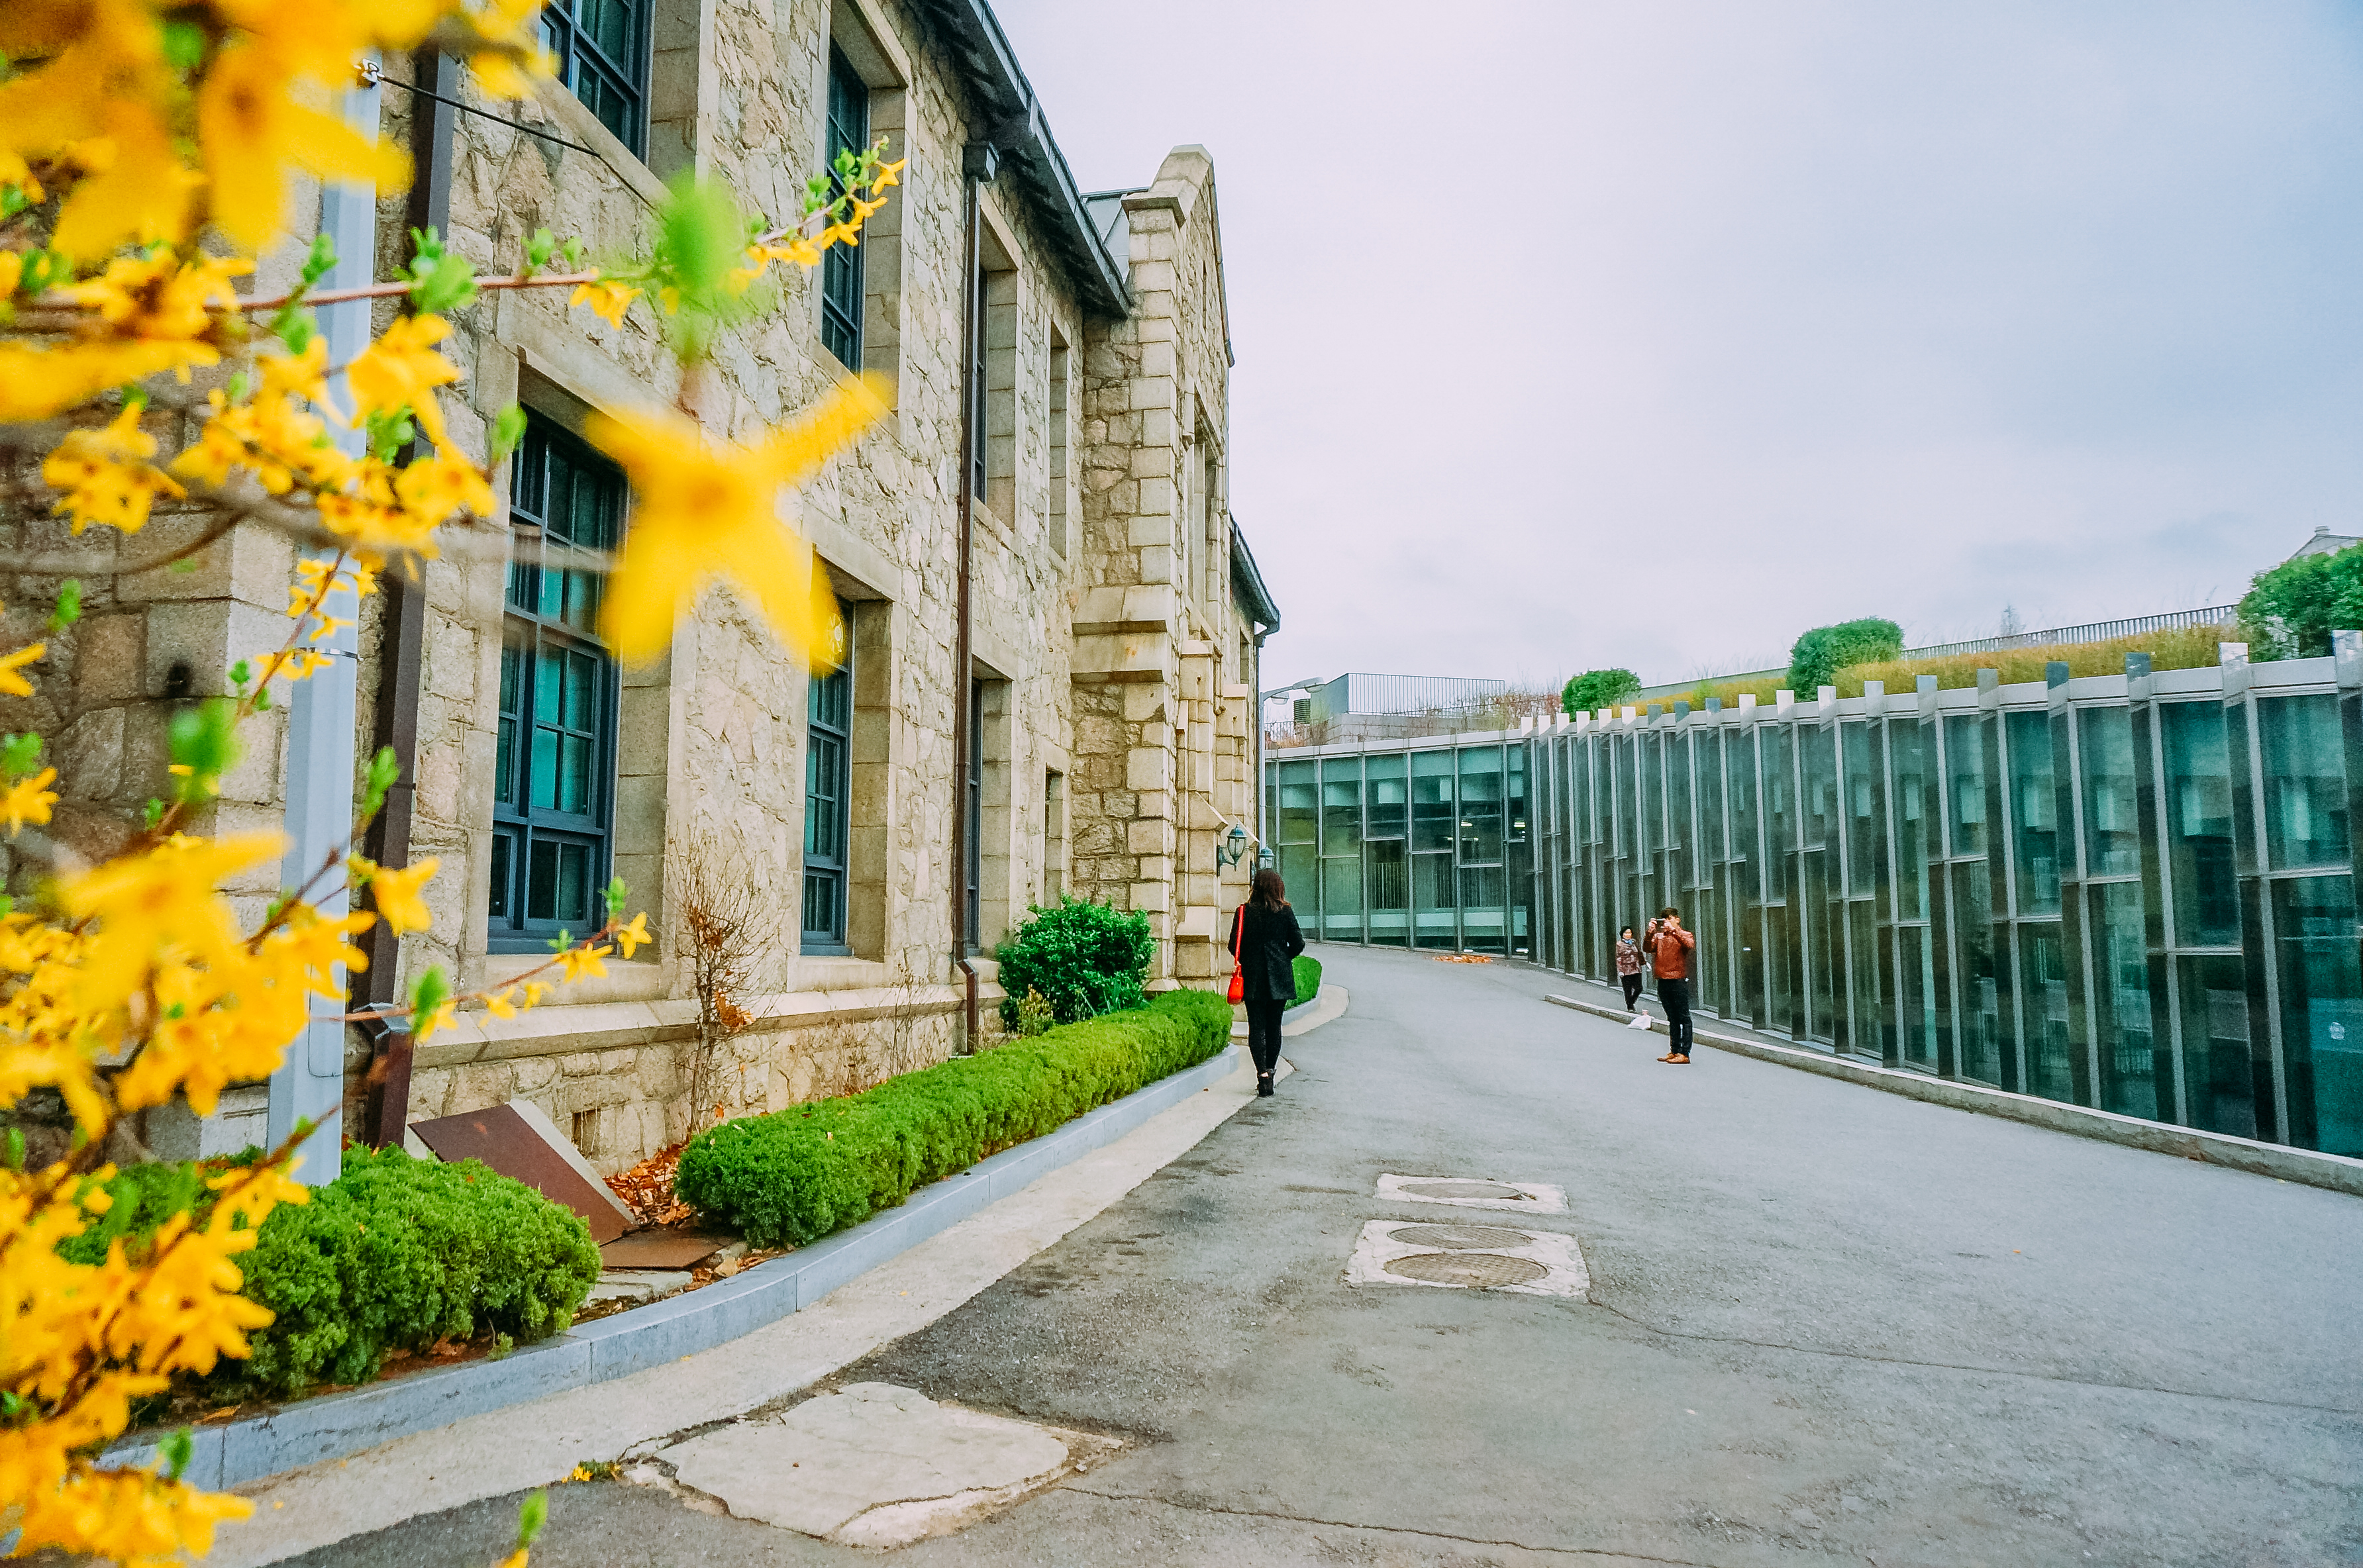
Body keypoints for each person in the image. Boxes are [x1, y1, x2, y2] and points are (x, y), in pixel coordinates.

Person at [1230, 868, 1306, 1097]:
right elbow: (1299, 944)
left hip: (1253, 978)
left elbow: (1233, 945)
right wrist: (1283, 958)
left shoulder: (1243, 911)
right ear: (1277, 888)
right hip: (1279, 977)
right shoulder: (1285, 912)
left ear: (1256, 887)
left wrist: (1250, 960)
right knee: (1274, 1027)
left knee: (1257, 1027)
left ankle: (1261, 1074)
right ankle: (1271, 1074)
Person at [1646, 906, 1697, 1063]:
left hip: (1678, 979)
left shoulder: (1684, 934)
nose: (1667, 922)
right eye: (1665, 920)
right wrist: (1650, 932)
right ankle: (1674, 1051)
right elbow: (1647, 948)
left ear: (1677, 919)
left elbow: (1690, 945)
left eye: (1670, 919)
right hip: (1663, 979)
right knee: (1672, 1018)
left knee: (1684, 1017)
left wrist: (1674, 931)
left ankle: (1684, 1053)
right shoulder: (1659, 936)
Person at [1613, 924, 1644, 1010]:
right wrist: (1620, 970)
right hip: (1626, 969)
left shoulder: (1634, 942)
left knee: (1639, 988)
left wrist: (1644, 962)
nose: (1628, 935)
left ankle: (1631, 1001)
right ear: (1622, 934)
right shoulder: (1619, 944)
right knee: (1628, 989)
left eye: (1629, 933)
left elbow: (1638, 953)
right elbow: (1619, 958)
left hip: (1636, 968)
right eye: (1626, 933)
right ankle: (1630, 1006)